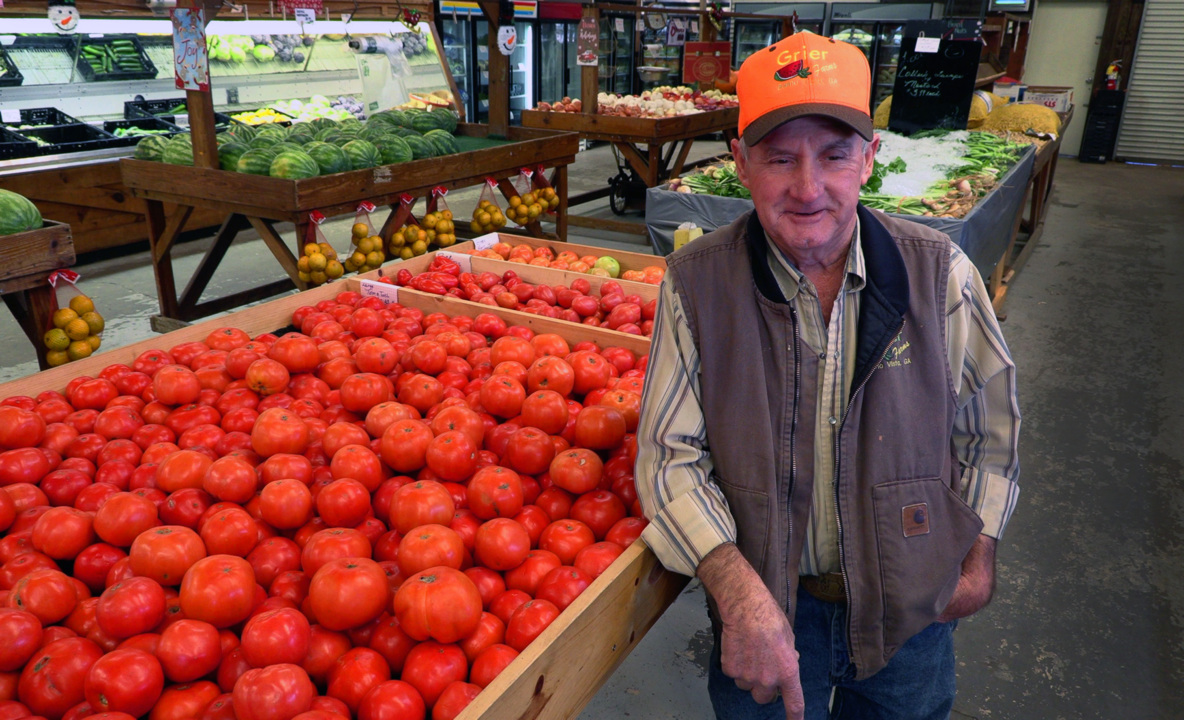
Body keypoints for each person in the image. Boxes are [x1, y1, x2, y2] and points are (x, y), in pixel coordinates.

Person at [635, 31, 1021, 720]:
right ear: (741, 163)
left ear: (870, 160)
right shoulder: (695, 286)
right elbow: (669, 457)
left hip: (913, 609)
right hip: (769, 609)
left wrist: (981, 547)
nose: (808, 188)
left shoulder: (939, 274)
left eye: (834, 155)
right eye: (780, 158)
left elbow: (988, 428)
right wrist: (735, 589)